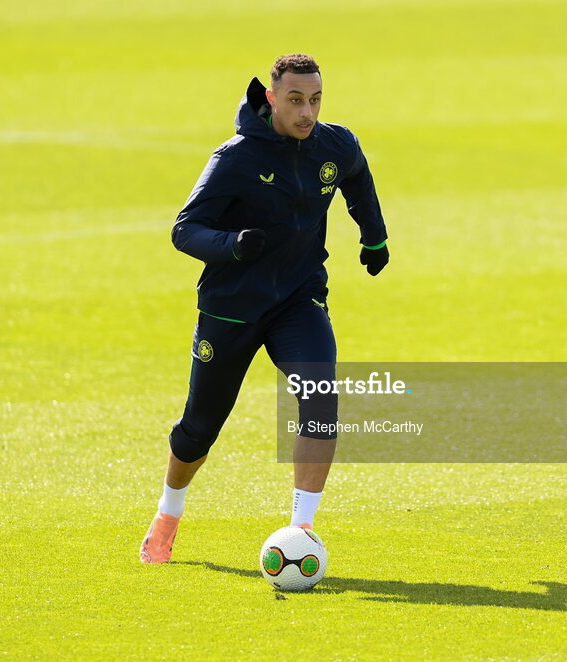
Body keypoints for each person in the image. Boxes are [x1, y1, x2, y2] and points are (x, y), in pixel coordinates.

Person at [140, 53, 389, 564]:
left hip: (299, 300)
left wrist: (374, 237)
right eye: (296, 100)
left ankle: (301, 530)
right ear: (271, 98)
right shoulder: (236, 158)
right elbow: (184, 229)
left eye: (315, 100)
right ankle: (169, 512)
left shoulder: (333, 143)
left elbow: (358, 176)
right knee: (198, 430)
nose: (307, 113)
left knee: (321, 399)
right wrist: (232, 245)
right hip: (232, 309)